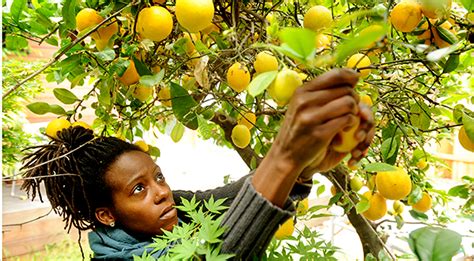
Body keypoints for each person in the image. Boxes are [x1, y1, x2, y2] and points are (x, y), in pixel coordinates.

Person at [21, 69, 374, 260]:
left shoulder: (175, 210)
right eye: (138, 189)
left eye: (157, 176)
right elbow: (220, 255)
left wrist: (305, 167)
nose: (161, 192)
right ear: (107, 215)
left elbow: (232, 198)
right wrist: (285, 154)